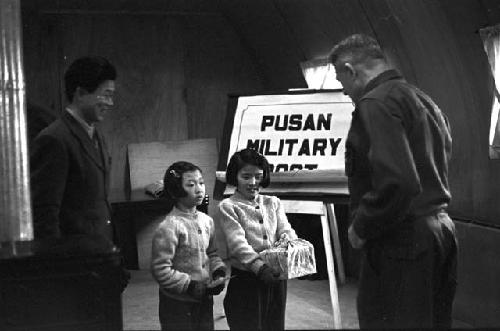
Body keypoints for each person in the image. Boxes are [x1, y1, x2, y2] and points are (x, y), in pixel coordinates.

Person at [328, 34, 457, 329]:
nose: (344, 91)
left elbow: (399, 181)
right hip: (440, 233)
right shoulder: (422, 99)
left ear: (351, 70)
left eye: (341, 81)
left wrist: (361, 227)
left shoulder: (376, 103)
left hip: (400, 239)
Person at [30, 56, 117, 243]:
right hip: (76, 257)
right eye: (106, 95)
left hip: (99, 250)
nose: (110, 103)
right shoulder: (54, 139)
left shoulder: (96, 134)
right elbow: (45, 213)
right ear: (80, 93)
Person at [216, 148, 298, 331]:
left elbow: (286, 230)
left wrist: (292, 246)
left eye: (258, 176)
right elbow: (238, 244)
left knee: (275, 324)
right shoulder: (228, 206)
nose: (253, 182)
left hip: (277, 277)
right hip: (247, 280)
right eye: (246, 177)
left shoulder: (273, 202)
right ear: (234, 176)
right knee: (248, 324)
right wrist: (260, 268)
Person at [151, 161, 227, 331]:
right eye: (191, 185)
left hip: (204, 299)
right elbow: (160, 269)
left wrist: (218, 272)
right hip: (177, 304)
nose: (199, 189)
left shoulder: (207, 221)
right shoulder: (169, 226)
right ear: (176, 190)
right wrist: (189, 285)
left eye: (201, 182)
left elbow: (212, 253)